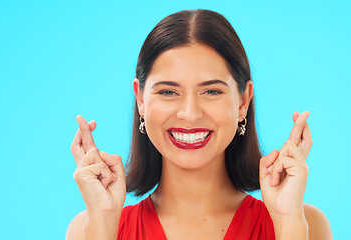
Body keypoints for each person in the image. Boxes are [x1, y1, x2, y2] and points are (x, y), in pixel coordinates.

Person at [66, 9, 332, 240]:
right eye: (168, 92)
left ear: (243, 102)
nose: (190, 114)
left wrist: (287, 224)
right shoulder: (89, 227)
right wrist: (102, 223)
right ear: (141, 100)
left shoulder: (304, 223)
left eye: (212, 91)